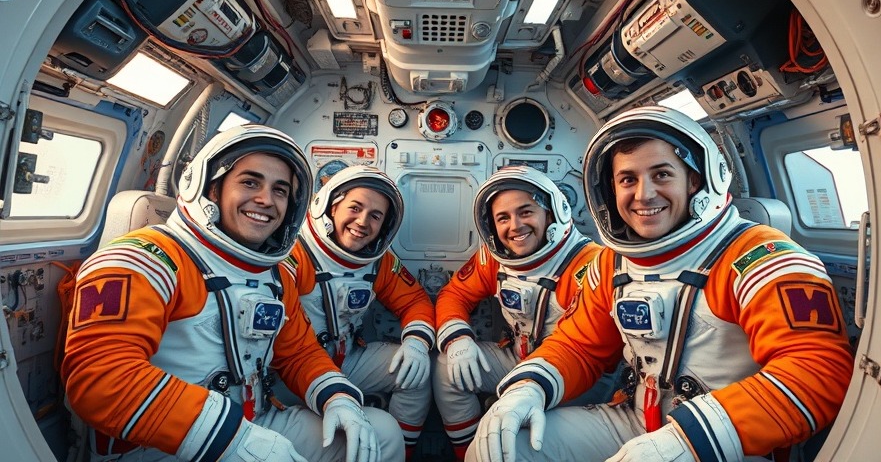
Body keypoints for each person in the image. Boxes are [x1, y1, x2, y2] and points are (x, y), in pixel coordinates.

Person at [467, 106, 854, 461]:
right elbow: (580, 346)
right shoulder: (612, 262)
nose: (644, 194)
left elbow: (818, 370)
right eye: (628, 179)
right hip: (636, 420)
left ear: (699, 181)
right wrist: (529, 387)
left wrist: (690, 439)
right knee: (505, 446)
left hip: (726, 443)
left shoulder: (758, 256)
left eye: (662, 174)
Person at [62, 125, 404, 462]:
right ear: (211, 188)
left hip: (254, 421)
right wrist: (228, 438)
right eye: (250, 182)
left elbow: (298, 353)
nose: (266, 200)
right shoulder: (145, 260)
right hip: (163, 445)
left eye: (280, 190)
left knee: (380, 433)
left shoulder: (276, 274)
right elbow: (100, 378)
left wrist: (337, 397)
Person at [433, 166, 607, 460]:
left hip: (575, 377)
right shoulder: (495, 258)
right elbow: (455, 294)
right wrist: (458, 339)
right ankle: (466, 453)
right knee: (445, 366)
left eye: (525, 212)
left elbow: (585, 351)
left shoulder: (587, 264)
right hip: (518, 357)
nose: (514, 226)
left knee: (522, 441)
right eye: (503, 218)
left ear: (551, 214)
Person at [289, 165, 435, 459]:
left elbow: (415, 301)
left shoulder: (377, 261)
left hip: (345, 360)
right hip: (290, 373)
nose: (363, 222)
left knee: (418, 371)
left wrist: (417, 343)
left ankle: (401, 452)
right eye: (355, 208)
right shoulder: (295, 252)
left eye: (375, 216)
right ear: (331, 206)